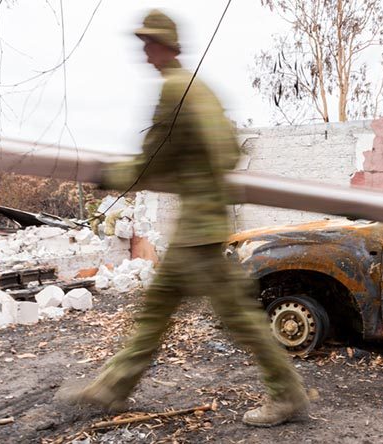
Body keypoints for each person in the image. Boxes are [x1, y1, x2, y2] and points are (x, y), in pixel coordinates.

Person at [62, 9, 309, 427]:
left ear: (165, 46)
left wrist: (107, 176)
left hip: (198, 235)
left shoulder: (173, 92)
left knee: (237, 319)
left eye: (148, 44)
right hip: (202, 227)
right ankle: (113, 388)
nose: (144, 53)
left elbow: (150, 162)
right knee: (158, 310)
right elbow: (229, 152)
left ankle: (287, 395)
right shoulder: (202, 91)